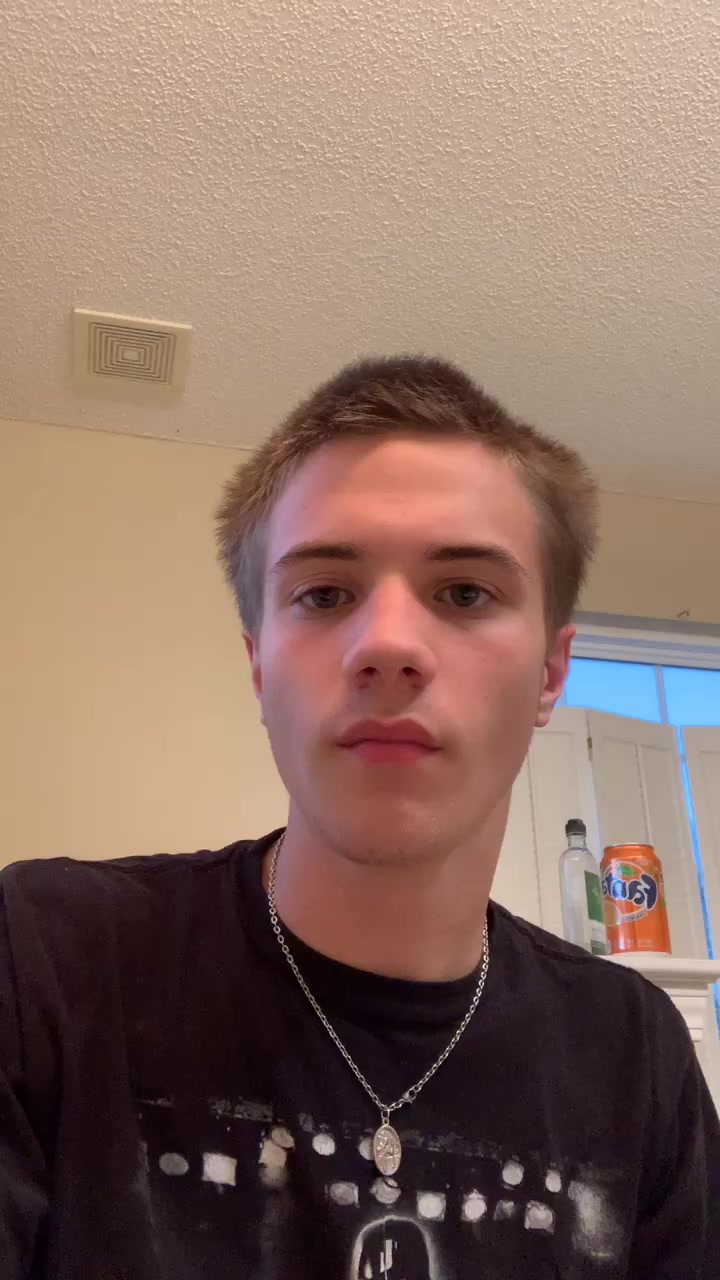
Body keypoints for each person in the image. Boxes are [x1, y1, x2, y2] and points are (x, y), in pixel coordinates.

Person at [1, 356, 718, 1279]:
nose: (386, 644)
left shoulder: (636, 1055)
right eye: (325, 594)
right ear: (259, 666)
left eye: (464, 592)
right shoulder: (46, 961)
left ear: (550, 674)